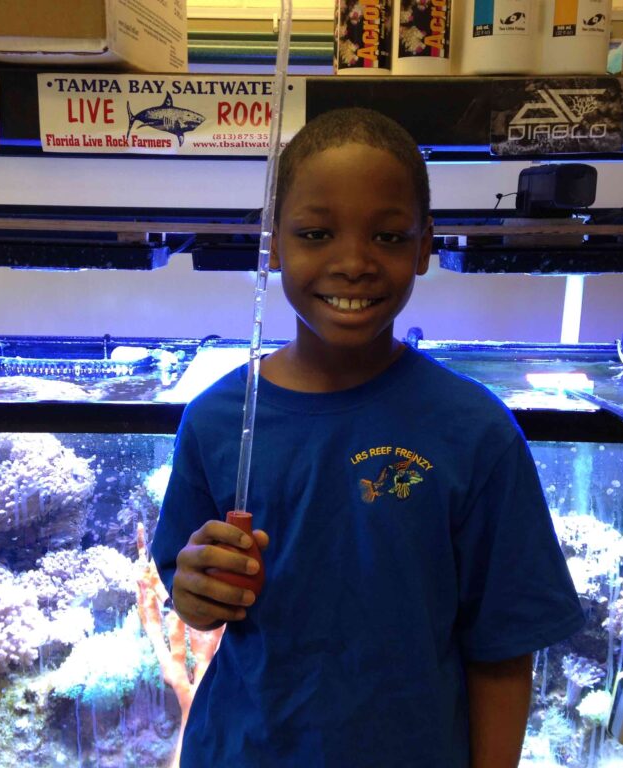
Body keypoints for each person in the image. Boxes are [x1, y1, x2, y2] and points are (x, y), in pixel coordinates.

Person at [150, 107, 586, 767]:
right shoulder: (217, 420)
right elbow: (194, 603)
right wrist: (197, 589)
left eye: (386, 237)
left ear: (424, 245)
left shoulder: (475, 433)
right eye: (316, 232)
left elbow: (502, 655)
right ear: (273, 241)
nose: (352, 263)